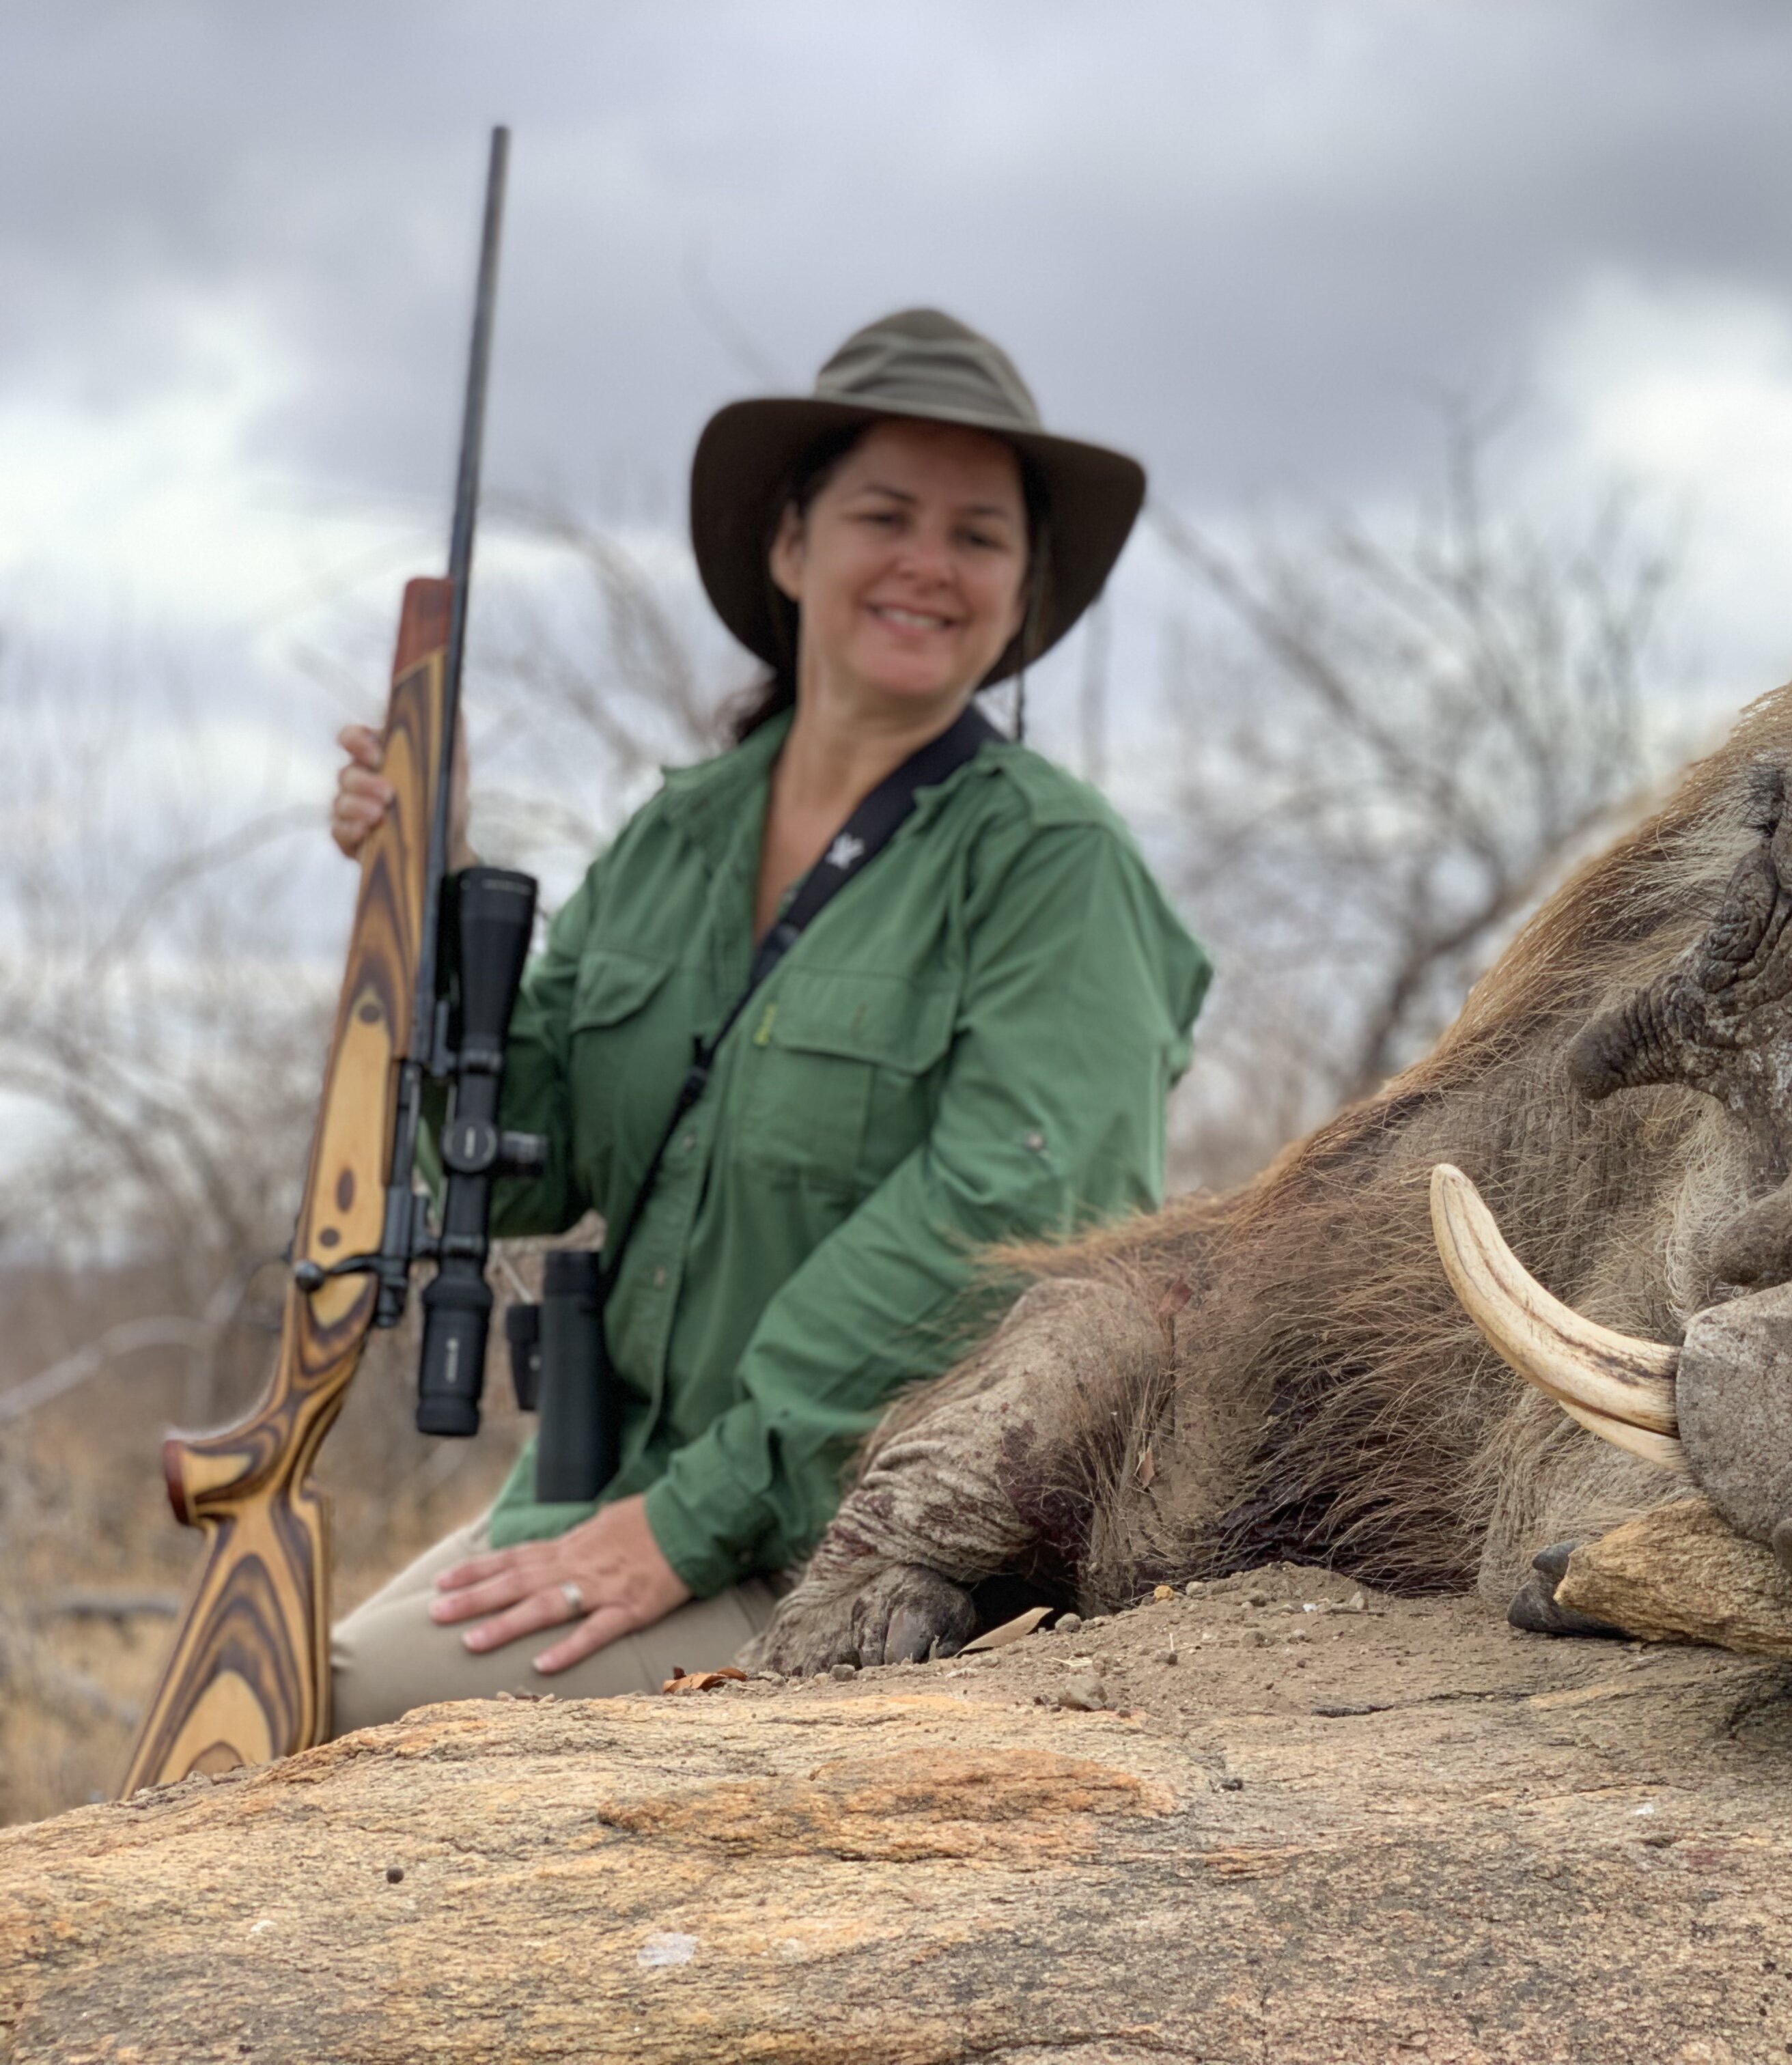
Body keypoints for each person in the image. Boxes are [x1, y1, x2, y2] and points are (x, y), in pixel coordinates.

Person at [322, 309, 1208, 1728]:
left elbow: (1010, 1227)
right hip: (610, 1489)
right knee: (259, 1685)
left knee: (341, 1699)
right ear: (792, 547)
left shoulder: (1055, 865)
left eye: (979, 535)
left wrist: (698, 1515)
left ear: (1023, 585)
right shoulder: (681, 834)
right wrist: (426, 889)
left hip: (862, 1546)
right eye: (885, 515)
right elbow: (524, 1155)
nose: (929, 563)